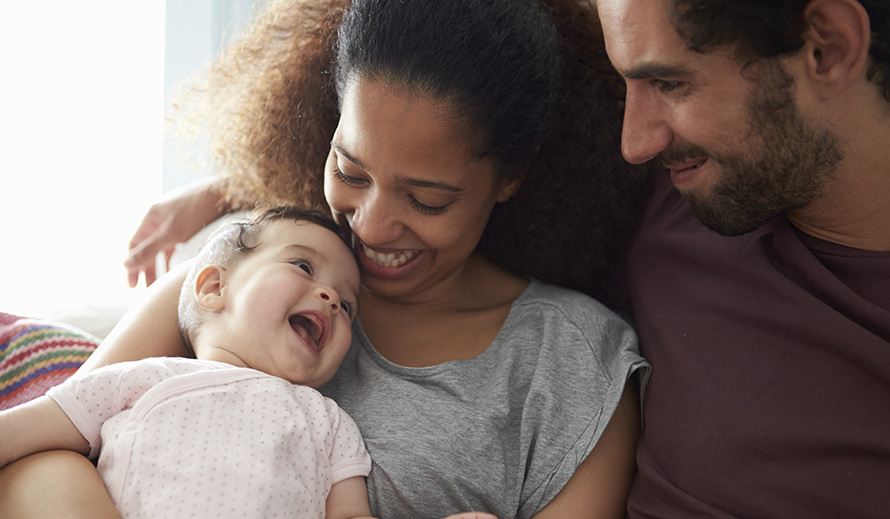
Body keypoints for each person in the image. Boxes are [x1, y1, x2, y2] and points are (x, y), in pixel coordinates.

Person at [0, 0, 649, 518]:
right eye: (350, 169)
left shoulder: (573, 364)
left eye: (426, 198)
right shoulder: (252, 269)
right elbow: (46, 450)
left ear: (511, 177)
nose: (369, 224)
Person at [593, 0, 890, 517]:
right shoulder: (667, 196)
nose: (635, 143)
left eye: (668, 84)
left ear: (829, 47)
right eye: (627, 85)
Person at [0, 207, 379, 519]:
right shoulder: (143, 377)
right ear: (214, 288)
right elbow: (21, 430)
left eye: (347, 307)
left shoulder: (330, 424)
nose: (331, 298)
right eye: (303, 266)